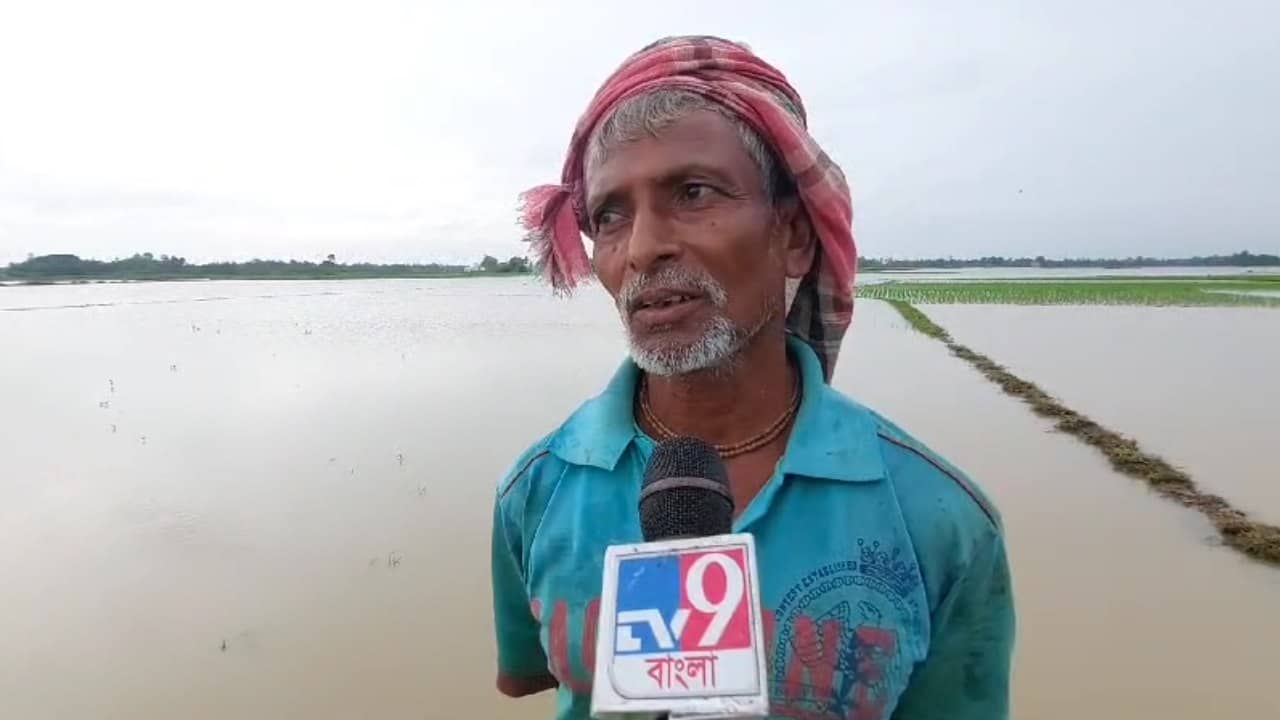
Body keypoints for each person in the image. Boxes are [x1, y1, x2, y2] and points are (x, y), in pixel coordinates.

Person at [490, 35, 1015, 720]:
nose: (644, 247)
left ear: (792, 233)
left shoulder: (940, 520)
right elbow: (534, 678)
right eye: (611, 215)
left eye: (693, 192)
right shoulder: (537, 489)